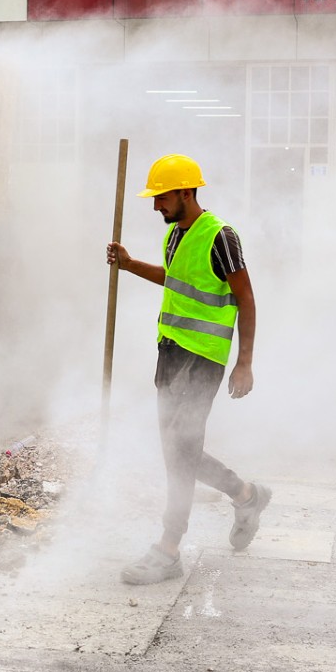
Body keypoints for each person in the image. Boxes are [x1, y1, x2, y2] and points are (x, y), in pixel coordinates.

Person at [106, 154, 271, 584]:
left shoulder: (221, 236)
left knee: (181, 446)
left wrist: (245, 362)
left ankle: (168, 547)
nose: (156, 206)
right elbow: (175, 281)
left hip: (204, 360)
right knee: (176, 449)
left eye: (161, 198)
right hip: (172, 353)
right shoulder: (177, 235)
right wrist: (129, 264)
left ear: (185, 192)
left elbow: (246, 299)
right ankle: (246, 494)